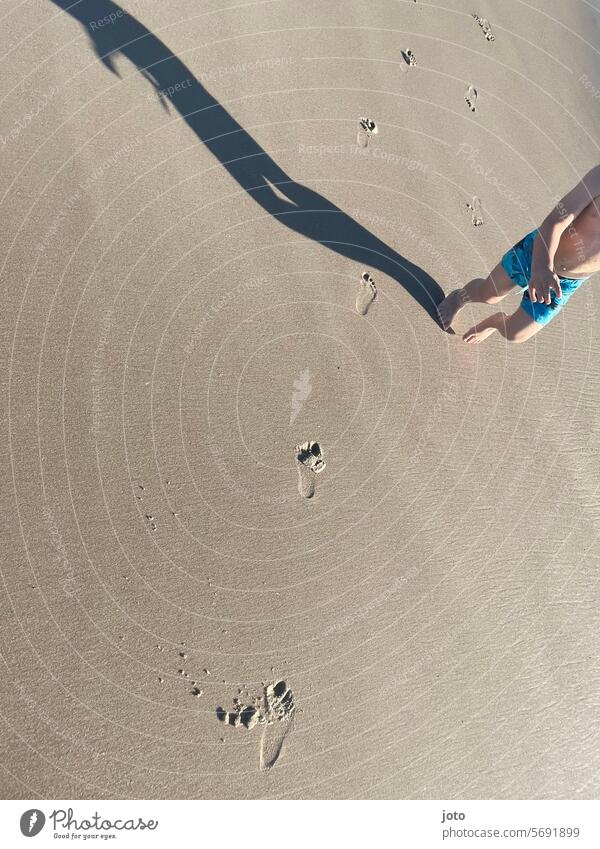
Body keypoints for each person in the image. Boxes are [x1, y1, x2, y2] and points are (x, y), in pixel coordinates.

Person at [438, 165, 600, 342]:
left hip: (564, 283)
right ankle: (458, 298)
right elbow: (554, 222)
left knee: (515, 334)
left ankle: (494, 322)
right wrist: (542, 267)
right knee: (488, 294)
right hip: (538, 249)